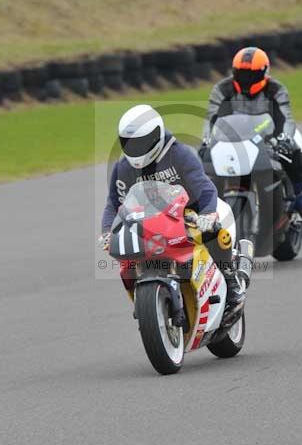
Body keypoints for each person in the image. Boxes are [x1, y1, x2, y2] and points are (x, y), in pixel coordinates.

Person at [100, 104, 246, 314]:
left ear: (156, 136)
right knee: (128, 255)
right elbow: (114, 205)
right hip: (149, 220)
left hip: (190, 213)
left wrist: (207, 214)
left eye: (141, 142)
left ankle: (232, 285)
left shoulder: (179, 154)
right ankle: (144, 301)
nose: (136, 149)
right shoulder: (123, 168)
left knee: (216, 233)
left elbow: (204, 188)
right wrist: (107, 231)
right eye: (129, 143)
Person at [201, 47, 302, 223]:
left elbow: (287, 118)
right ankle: (210, 206)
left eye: (251, 74)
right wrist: (207, 140)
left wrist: (285, 138)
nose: (246, 79)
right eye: (242, 73)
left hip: (269, 137)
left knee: (296, 157)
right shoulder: (222, 89)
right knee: (203, 161)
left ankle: (300, 198)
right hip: (234, 138)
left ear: (264, 73)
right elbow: (212, 118)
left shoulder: (276, 89)